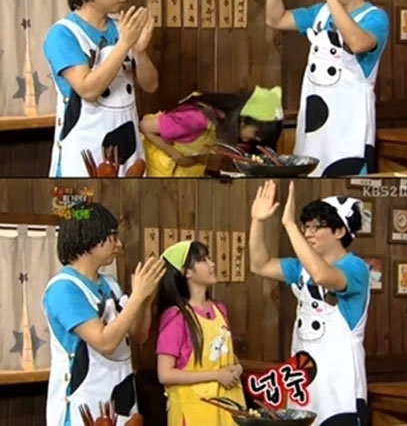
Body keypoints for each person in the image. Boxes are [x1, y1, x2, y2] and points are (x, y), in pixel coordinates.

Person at [249, 180, 370, 425]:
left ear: (339, 232)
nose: (308, 232)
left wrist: (290, 225)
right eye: (305, 226)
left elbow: (322, 275)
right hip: (304, 385)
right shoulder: (301, 268)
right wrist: (257, 221)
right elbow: (259, 265)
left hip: (340, 390)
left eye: (317, 226)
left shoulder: (355, 267)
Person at [266, 0, 390, 176]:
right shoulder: (320, 12)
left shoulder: (375, 17)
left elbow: (357, 42)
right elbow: (276, 19)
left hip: (349, 129)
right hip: (314, 125)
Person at [42, 202, 166, 426]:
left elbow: (139, 334)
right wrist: (137, 296)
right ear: (89, 237)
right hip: (83, 405)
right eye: (112, 236)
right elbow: (104, 342)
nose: (119, 244)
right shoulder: (64, 288)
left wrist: (145, 301)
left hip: (121, 398)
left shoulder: (110, 284)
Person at [43, 0, 159, 177]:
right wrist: (124, 44)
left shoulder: (121, 28)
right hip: (84, 152)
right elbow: (88, 89)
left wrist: (140, 52)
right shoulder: (63, 34)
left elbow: (151, 85)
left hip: (129, 148)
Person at [156, 241, 245, 425]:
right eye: (203, 260)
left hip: (229, 410)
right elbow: (165, 374)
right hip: (194, 413)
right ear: (187, 272)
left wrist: (238, 368)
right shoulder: (176, 317)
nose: (212, 264)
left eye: (209, 258)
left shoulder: (220, 310)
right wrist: (216, 375)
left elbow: (226, 356)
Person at [139, 85, 284, 176]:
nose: (255, 140)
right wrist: (175, 155)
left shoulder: (221, 121)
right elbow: (144, 126)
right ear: (244, 119)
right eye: (257, 135)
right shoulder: (197, 119)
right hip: (160, 165)